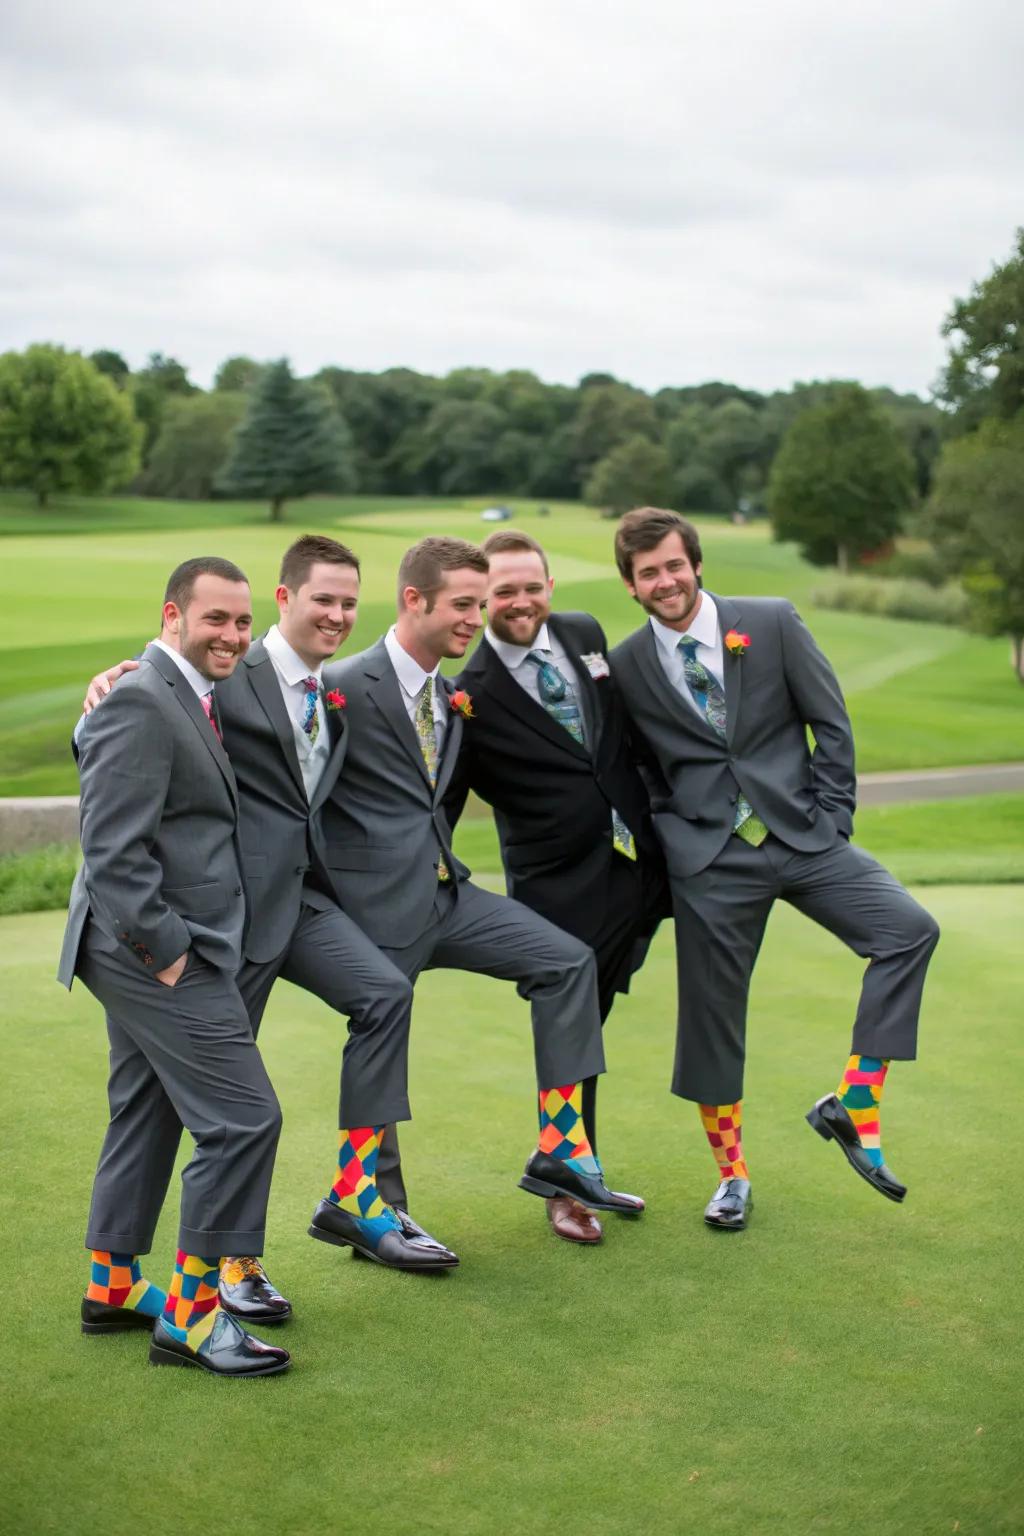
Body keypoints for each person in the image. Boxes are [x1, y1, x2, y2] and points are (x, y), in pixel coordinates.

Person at [82, 535, 456, 1287]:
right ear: (285, 598)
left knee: (384, 995)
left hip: (299, 902)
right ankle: (222, 1270)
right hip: (219, 919)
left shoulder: (338, 686)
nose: (338, 615)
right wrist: (106, 687)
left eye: (350, 602)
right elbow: (145, 709)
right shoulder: (222, 670)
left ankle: (357, 1194)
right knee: (187, 1103)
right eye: (324, 599)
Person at [609, 507, 940, 1230]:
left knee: (909, 930)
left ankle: (856, 1102)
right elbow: (638, 765)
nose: (665, 582)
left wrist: (834, 820)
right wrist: (674, 834)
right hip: (710, 860)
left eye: (673, 565)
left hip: (803, 836)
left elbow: (831, 723)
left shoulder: (771, 621)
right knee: (711, 1020)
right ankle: (731, 1177)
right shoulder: (626, 664)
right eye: (648, 573)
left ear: (696, 564)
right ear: (631, 585)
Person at [316, 536, 640, 1234]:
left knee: (567, 963)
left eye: (478, 604)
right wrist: (127, 680)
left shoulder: (454, 696)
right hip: (373, 906)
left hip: (448, 895)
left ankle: (561, 1149)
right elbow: (275, 745)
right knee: (383, 1028)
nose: (477, 617)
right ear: (414, 600)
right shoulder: (339, 684)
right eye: (465, 605)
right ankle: (372, 1205)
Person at [60, 557, 290, 1377]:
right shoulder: (141, 697)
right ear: (172, 616)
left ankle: (113, 1283)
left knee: (147, 1107)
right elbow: (113, 854)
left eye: (243, 621)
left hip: (151, 942)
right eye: (215, 618)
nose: (232, 635)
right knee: (244, 1119)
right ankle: (191, 1319)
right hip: (149, 947)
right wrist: (167, 957)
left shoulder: (182, 689)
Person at [445, 528, 668, 1243]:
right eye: (503, 591)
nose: (520, 601)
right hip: (559, 889)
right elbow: (442, 799)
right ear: (482, 600)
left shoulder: (583, 633)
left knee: (594, 1022)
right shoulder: (468, 694)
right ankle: (565, 1183)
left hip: (641, 866)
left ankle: (575, 1166)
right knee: (575, 1032)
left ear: (550, 586)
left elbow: (618, 737)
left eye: (531, 586)